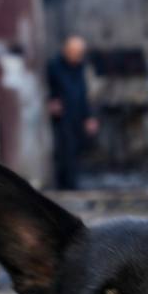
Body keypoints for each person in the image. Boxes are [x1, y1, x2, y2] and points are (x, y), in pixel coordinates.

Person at [46, 35, 97, 190]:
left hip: (77, 113)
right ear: (66, 50)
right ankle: (66, 185)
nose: (77, 56)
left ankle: (72, 184)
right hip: (62, 115)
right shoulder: (54, 66)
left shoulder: (80, 67)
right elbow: (48, 88)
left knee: (76, 149)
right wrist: (51, 101)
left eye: (80, 53)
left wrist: (89, 117)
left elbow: (83, 93)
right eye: (74, 52)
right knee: (64, 150)